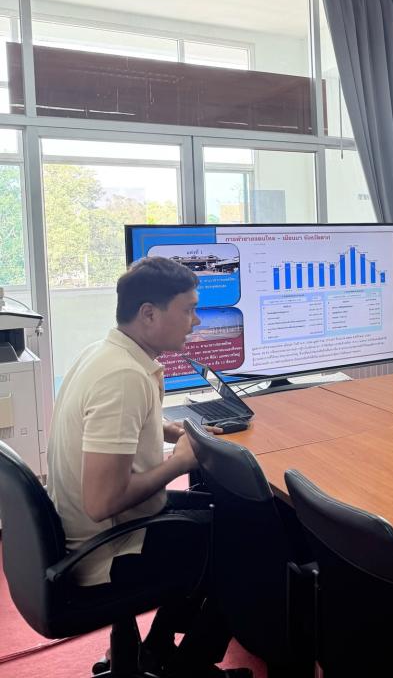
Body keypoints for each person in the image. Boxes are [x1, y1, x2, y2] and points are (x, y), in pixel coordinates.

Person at [46, 256, 246, 677]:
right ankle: (189, 667)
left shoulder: (103, 354)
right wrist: (179, 463)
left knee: (219, 514)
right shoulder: (124, 377)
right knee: (246, 544)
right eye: (188, 310)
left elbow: (114, 429)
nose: (196, 321)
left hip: (89, 532)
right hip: (106, 549)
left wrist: (168, 430)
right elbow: (102, 501)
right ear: (149, 314)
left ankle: (155, 648)